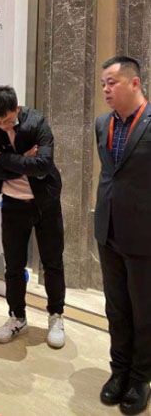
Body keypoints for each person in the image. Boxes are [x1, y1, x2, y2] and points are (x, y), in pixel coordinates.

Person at [0, 85, 65, 348]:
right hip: (13, 205)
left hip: (45, 202)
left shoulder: (36, 122)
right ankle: (17, 317)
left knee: (52, 262)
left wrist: (2, 158)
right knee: (13, 265)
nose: (3, 125)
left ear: (17, 108)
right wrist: (22, 161)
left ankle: (56, 315)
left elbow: (43, 165)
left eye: (8, 120)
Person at [96, 56, 151, 415]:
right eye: (103, 83)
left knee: (144, 310)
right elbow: (110, 175)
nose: (105, 89)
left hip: (144, 234)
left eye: (111, 82)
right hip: (108, 230)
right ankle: (118, 370)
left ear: (134, 83)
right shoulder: (102, 123)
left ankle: (140, 378)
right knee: (116, 307)